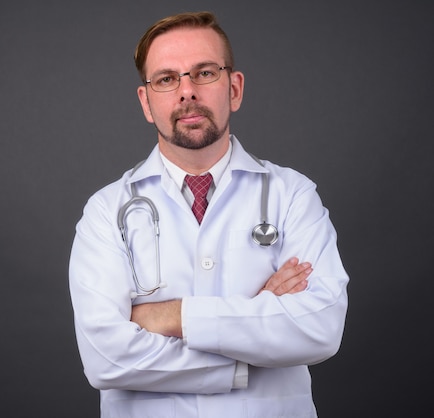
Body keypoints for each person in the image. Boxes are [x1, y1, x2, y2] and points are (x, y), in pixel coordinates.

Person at [68, 11, 348, 418]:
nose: (187, 92)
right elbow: (105, 358)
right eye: (166, 79)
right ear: (147, 102)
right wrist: (255, 324)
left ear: (234, 89)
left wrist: (171, 316)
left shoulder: (293, 196)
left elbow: (320, 329)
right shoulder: (106, 211)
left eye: (204, 73)